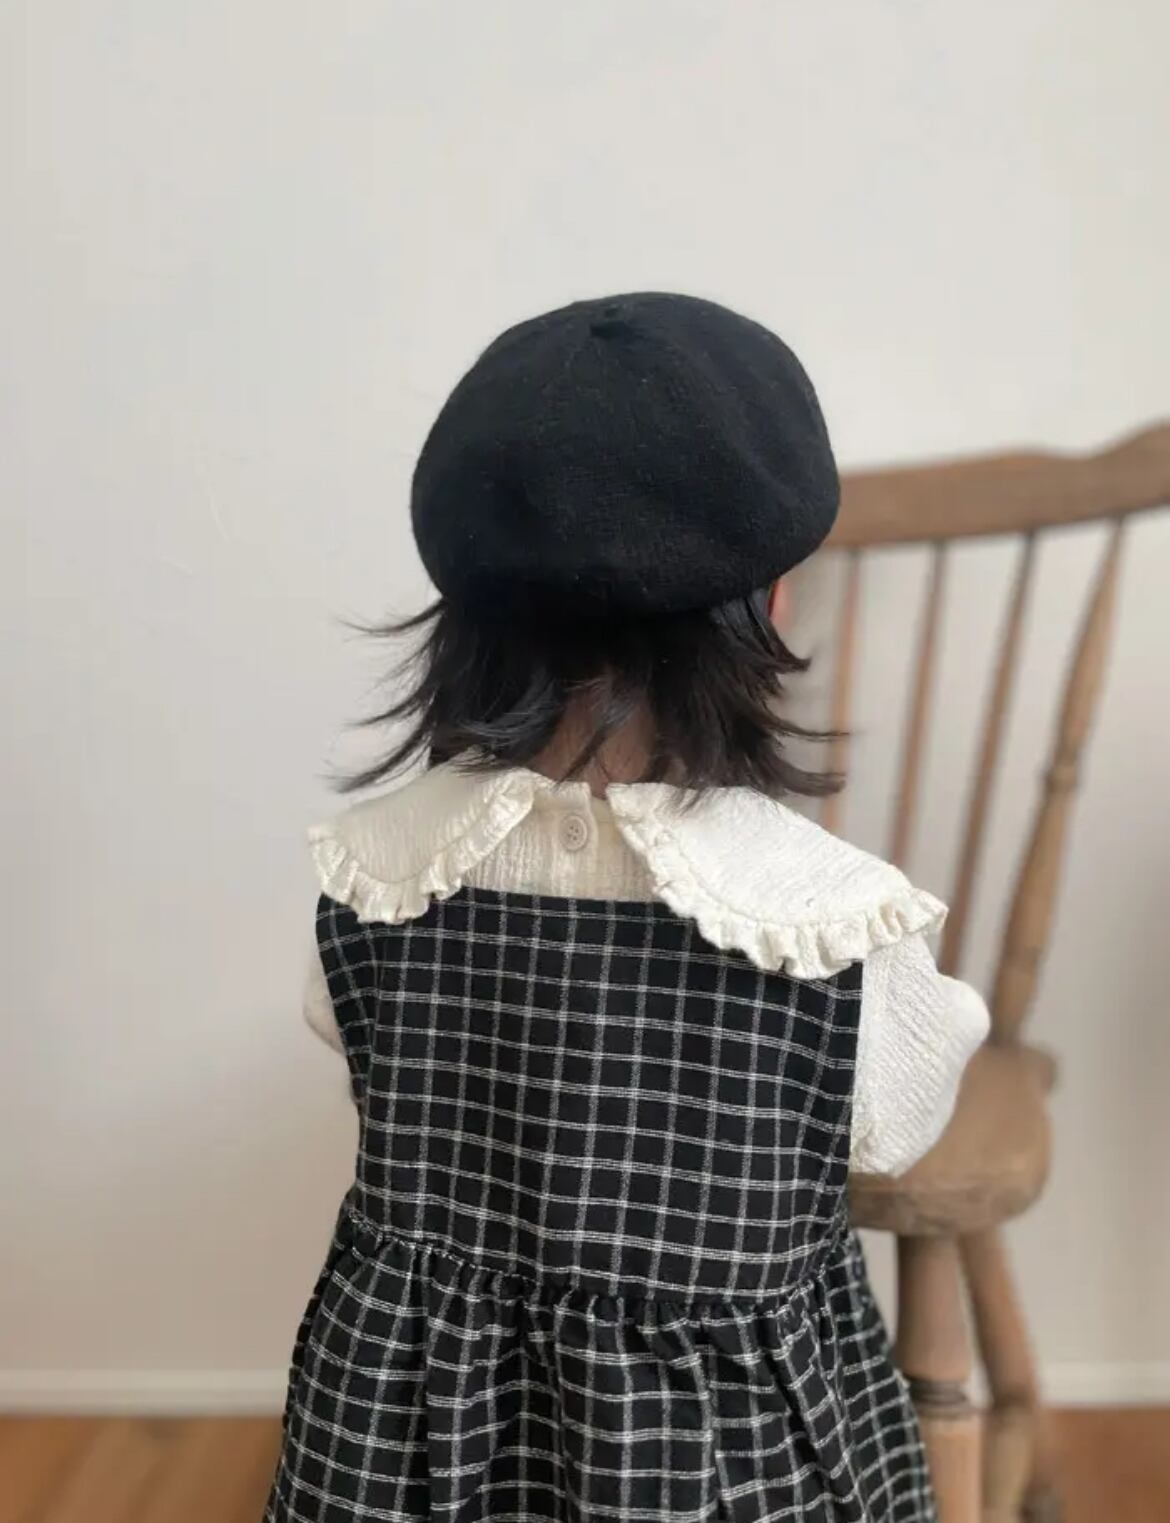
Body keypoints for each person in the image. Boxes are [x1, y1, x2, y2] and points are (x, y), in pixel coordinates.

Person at [265, 293, 989, 1523]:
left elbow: (342, 1029)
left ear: (465, 617)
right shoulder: (827, 920)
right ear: (769, 602)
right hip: (714, 1469)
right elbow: (896, 1128)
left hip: (415, 1450)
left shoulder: (377, 870)